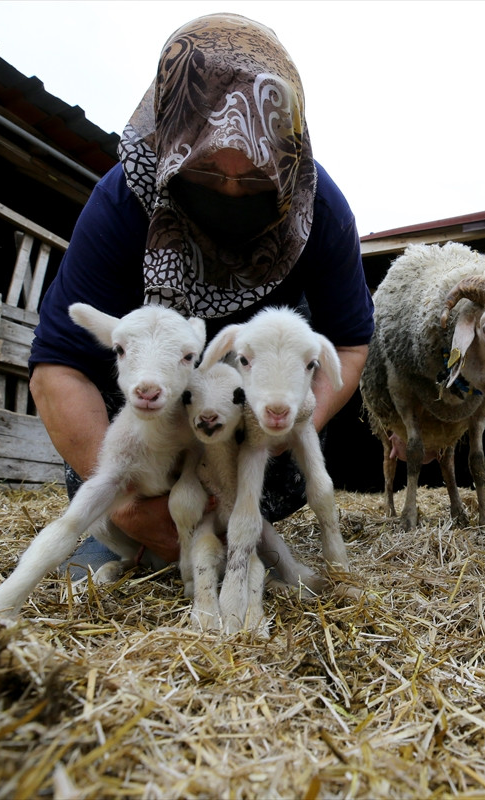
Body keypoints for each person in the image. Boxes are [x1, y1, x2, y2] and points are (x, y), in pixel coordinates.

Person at [28, 13, 373, 577]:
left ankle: (239, 523)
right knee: (124, 480)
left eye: (257, 178)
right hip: (151, 417)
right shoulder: (123, 204)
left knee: (263, 481)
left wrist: (282, 425)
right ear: (173, 142)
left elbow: (351, 342)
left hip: (248, 418)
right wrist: (123, 496)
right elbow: (56, 367)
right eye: (208, 171)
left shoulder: (318, 210)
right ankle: (127, 531)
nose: (233, 190)